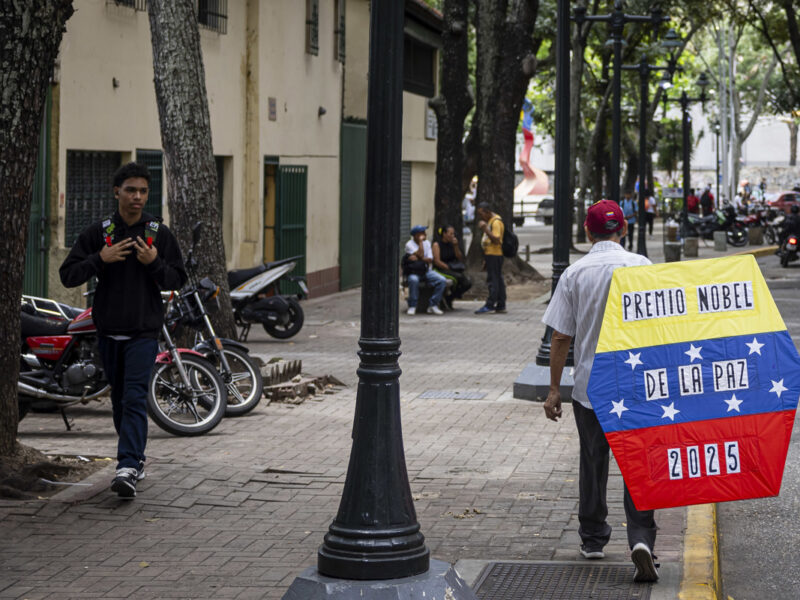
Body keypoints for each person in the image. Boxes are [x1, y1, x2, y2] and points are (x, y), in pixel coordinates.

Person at [541, 200, 659, 583]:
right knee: (638, 465)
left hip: (591, 388)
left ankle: (593, 538)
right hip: (638, 386)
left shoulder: (574, 274)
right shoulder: (642, 267)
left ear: (588, 232)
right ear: (622, 229)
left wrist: (554, 389)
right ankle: (641, 538)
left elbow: (561, 337)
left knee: (593, 462)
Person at [59, 162, 187, 499]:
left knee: (133, 397)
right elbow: (68, 275)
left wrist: (154, 263)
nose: (137, 197)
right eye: (131, 190)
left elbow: (177, 279)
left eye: (143, 191)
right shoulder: (100, 233)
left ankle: (127, 466)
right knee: (119, 400)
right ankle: (136, 460)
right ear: (117, 192)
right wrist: (99, 259)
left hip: (143, 331)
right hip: (108, 331)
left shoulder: (158, 233)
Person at [403, 225, 447, 316]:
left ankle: (433, 304)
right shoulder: (409, 244)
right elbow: (421, 254)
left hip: (425, 270)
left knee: (442, 280)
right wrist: (420, 243)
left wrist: (419, 258)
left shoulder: (427, 243)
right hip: (414, 271)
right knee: (413, 280)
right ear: (416, 235)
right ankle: (412, 305)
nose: (425, 234)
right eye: (422, 233)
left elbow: (429, 259)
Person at [474, 202, 506, 314]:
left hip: (494, 254)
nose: (481, 217)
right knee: (498, 279)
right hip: (491, 255)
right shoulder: (492, 221)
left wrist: (485, 229)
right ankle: (501, 304)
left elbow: (497, 240)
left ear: (487, 212)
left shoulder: (496, 222)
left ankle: (490, 304)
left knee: (493, 280)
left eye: (481, 213)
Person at [432, 225, 472, 308]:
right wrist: (448, 268)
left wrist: (456, 246)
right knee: (458, 278)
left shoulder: (452, 244)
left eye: (453, 234)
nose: (453, 236)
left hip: (453, 268)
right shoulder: (437, 245)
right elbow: (437, 261)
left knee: (467, 283)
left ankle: (450, 297)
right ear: (444, 234)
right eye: (450, 234)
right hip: (441, 269)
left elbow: (459, 257)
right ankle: (447, 298)